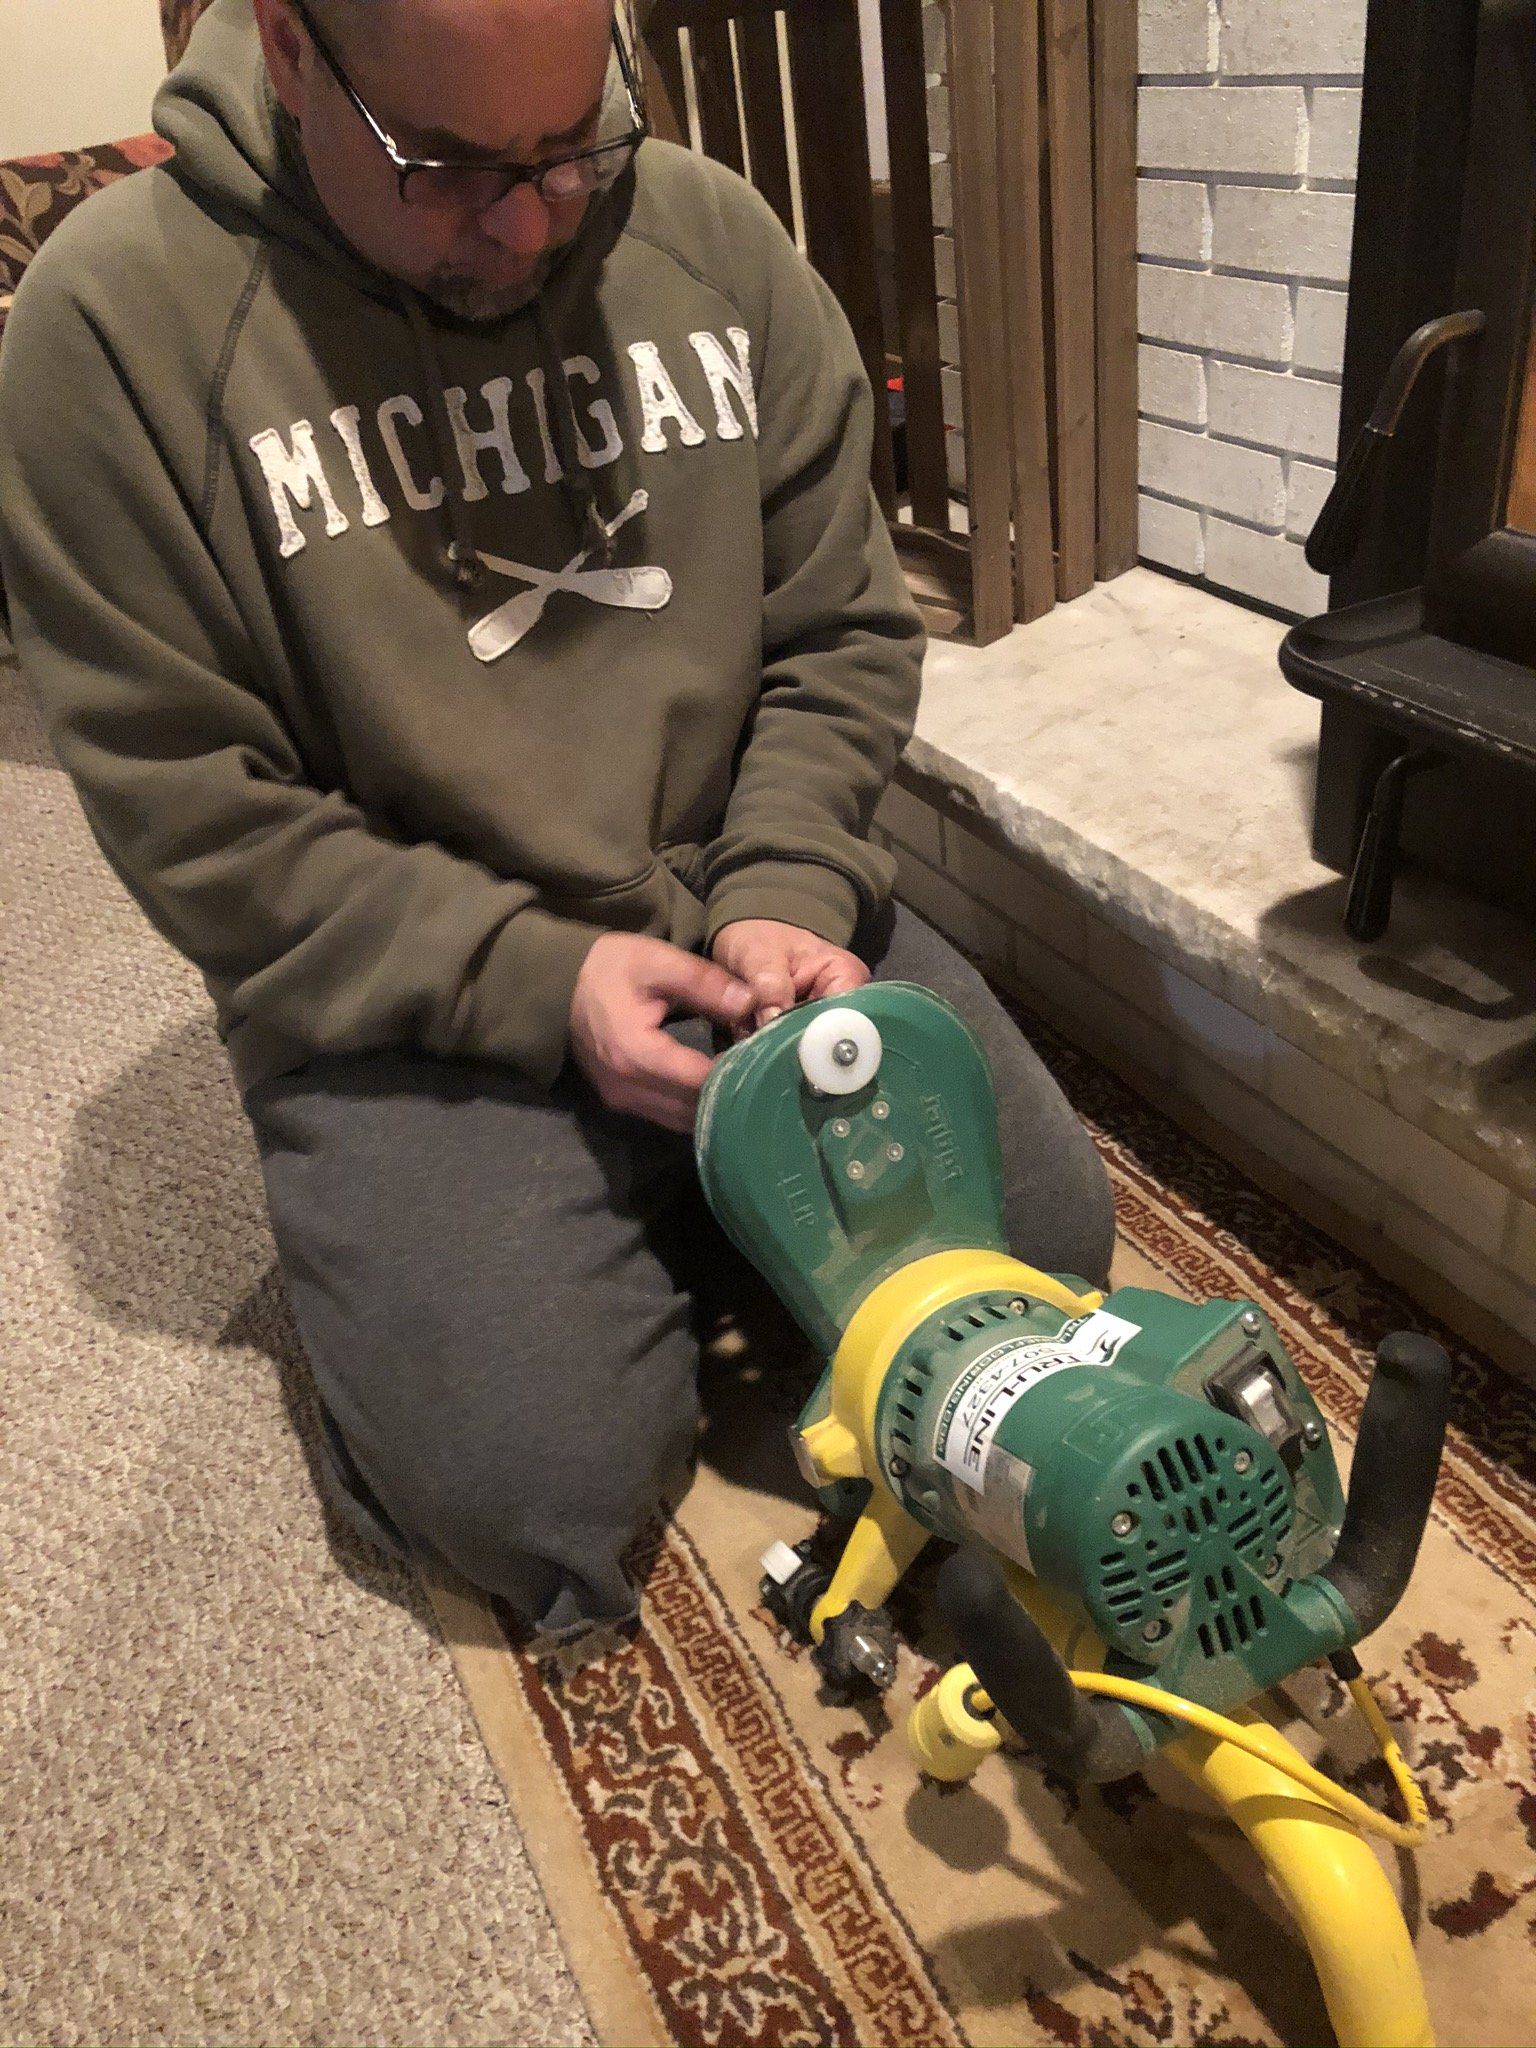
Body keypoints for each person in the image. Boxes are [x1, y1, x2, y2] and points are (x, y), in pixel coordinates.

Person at [0, 0, 1114, 1640]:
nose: (524, 222)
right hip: (416, 994)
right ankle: (604, 1238)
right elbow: (197, 816)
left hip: (742, 909)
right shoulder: (104, 336)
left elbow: (839, 631)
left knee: (1055, 1250)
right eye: (445, 165)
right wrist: (540, 985)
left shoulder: (715, 240)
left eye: (568, 146)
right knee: (540, 1506)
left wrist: (789, 879)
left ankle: (695, 1204)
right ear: (296, 54)